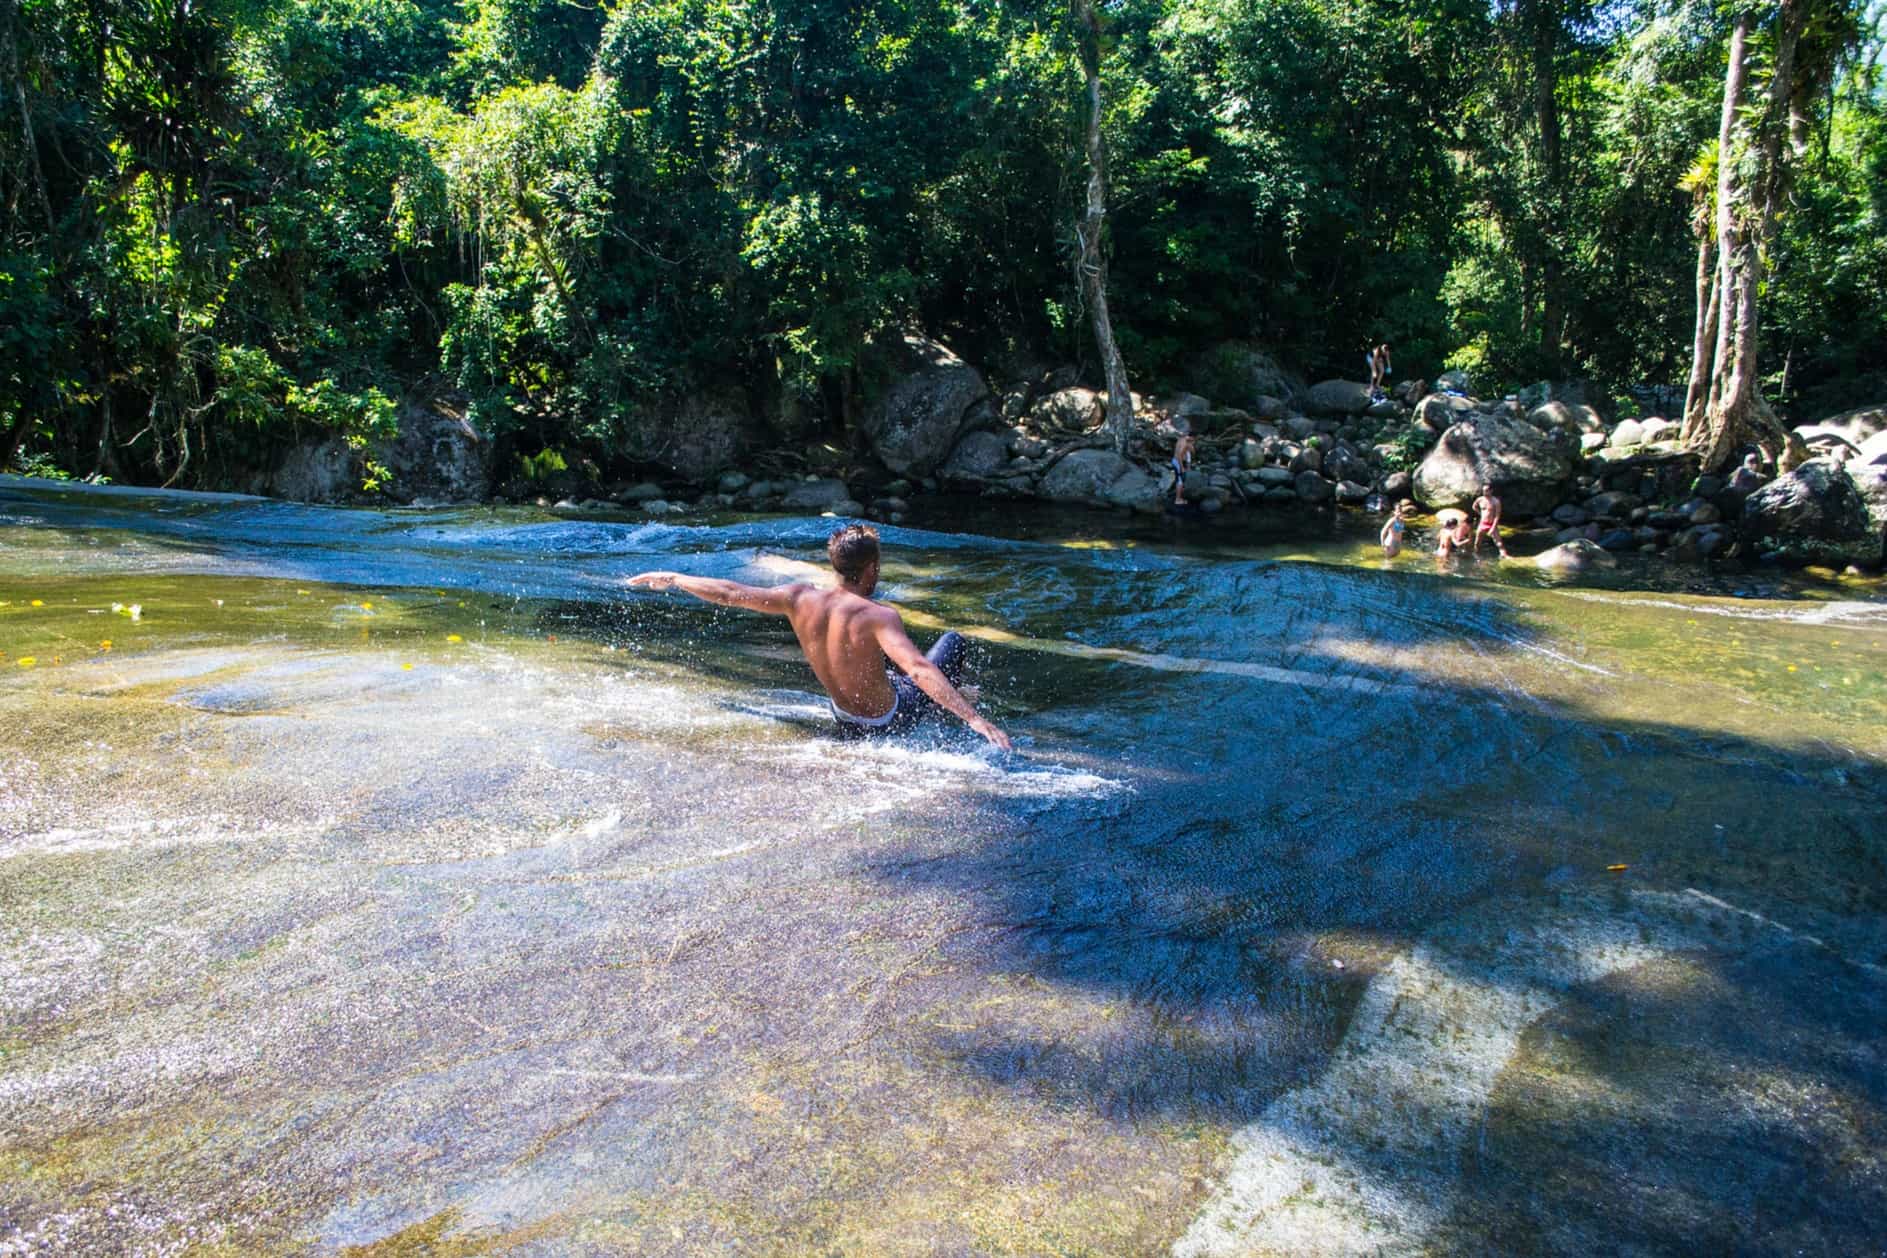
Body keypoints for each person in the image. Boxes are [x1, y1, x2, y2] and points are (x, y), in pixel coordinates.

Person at [627, 524, 1012, 749]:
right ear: (872, 568)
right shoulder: (879, 615)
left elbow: (729, 593)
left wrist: (676, 578)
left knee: (888, 669)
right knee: (953, 641)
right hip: (889, 721)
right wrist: (975, 719)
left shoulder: (798, 598)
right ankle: (957, 703)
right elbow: (916, 667)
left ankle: (953, 697)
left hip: (845, 718)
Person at [1471, 483, 1510, 557]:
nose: (1484, 492)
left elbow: (1497, 516)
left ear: (1491, 491)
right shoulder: (1480, 499)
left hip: (1492, 523)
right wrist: (1480, 513)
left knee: (1499, 543)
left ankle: (1505, 555)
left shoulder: (1496, 501)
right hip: (1482, 523)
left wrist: (1493, 527)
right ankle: (1477, 556)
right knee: (1477, 542)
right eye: (1483, 491)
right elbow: (1474, 506)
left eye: (1486, 491)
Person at [1170, 423, 1197, 506]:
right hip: (1178, 462)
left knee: (1179, 479)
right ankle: (1177, 500)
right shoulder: (1185, 443)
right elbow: (1179, 456)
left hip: (1175, 461)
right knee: (1180, 481)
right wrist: (1182, 467)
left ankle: (1179, 496)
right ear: (1192, 437)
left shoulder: (1181, 439)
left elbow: (1190, 453)